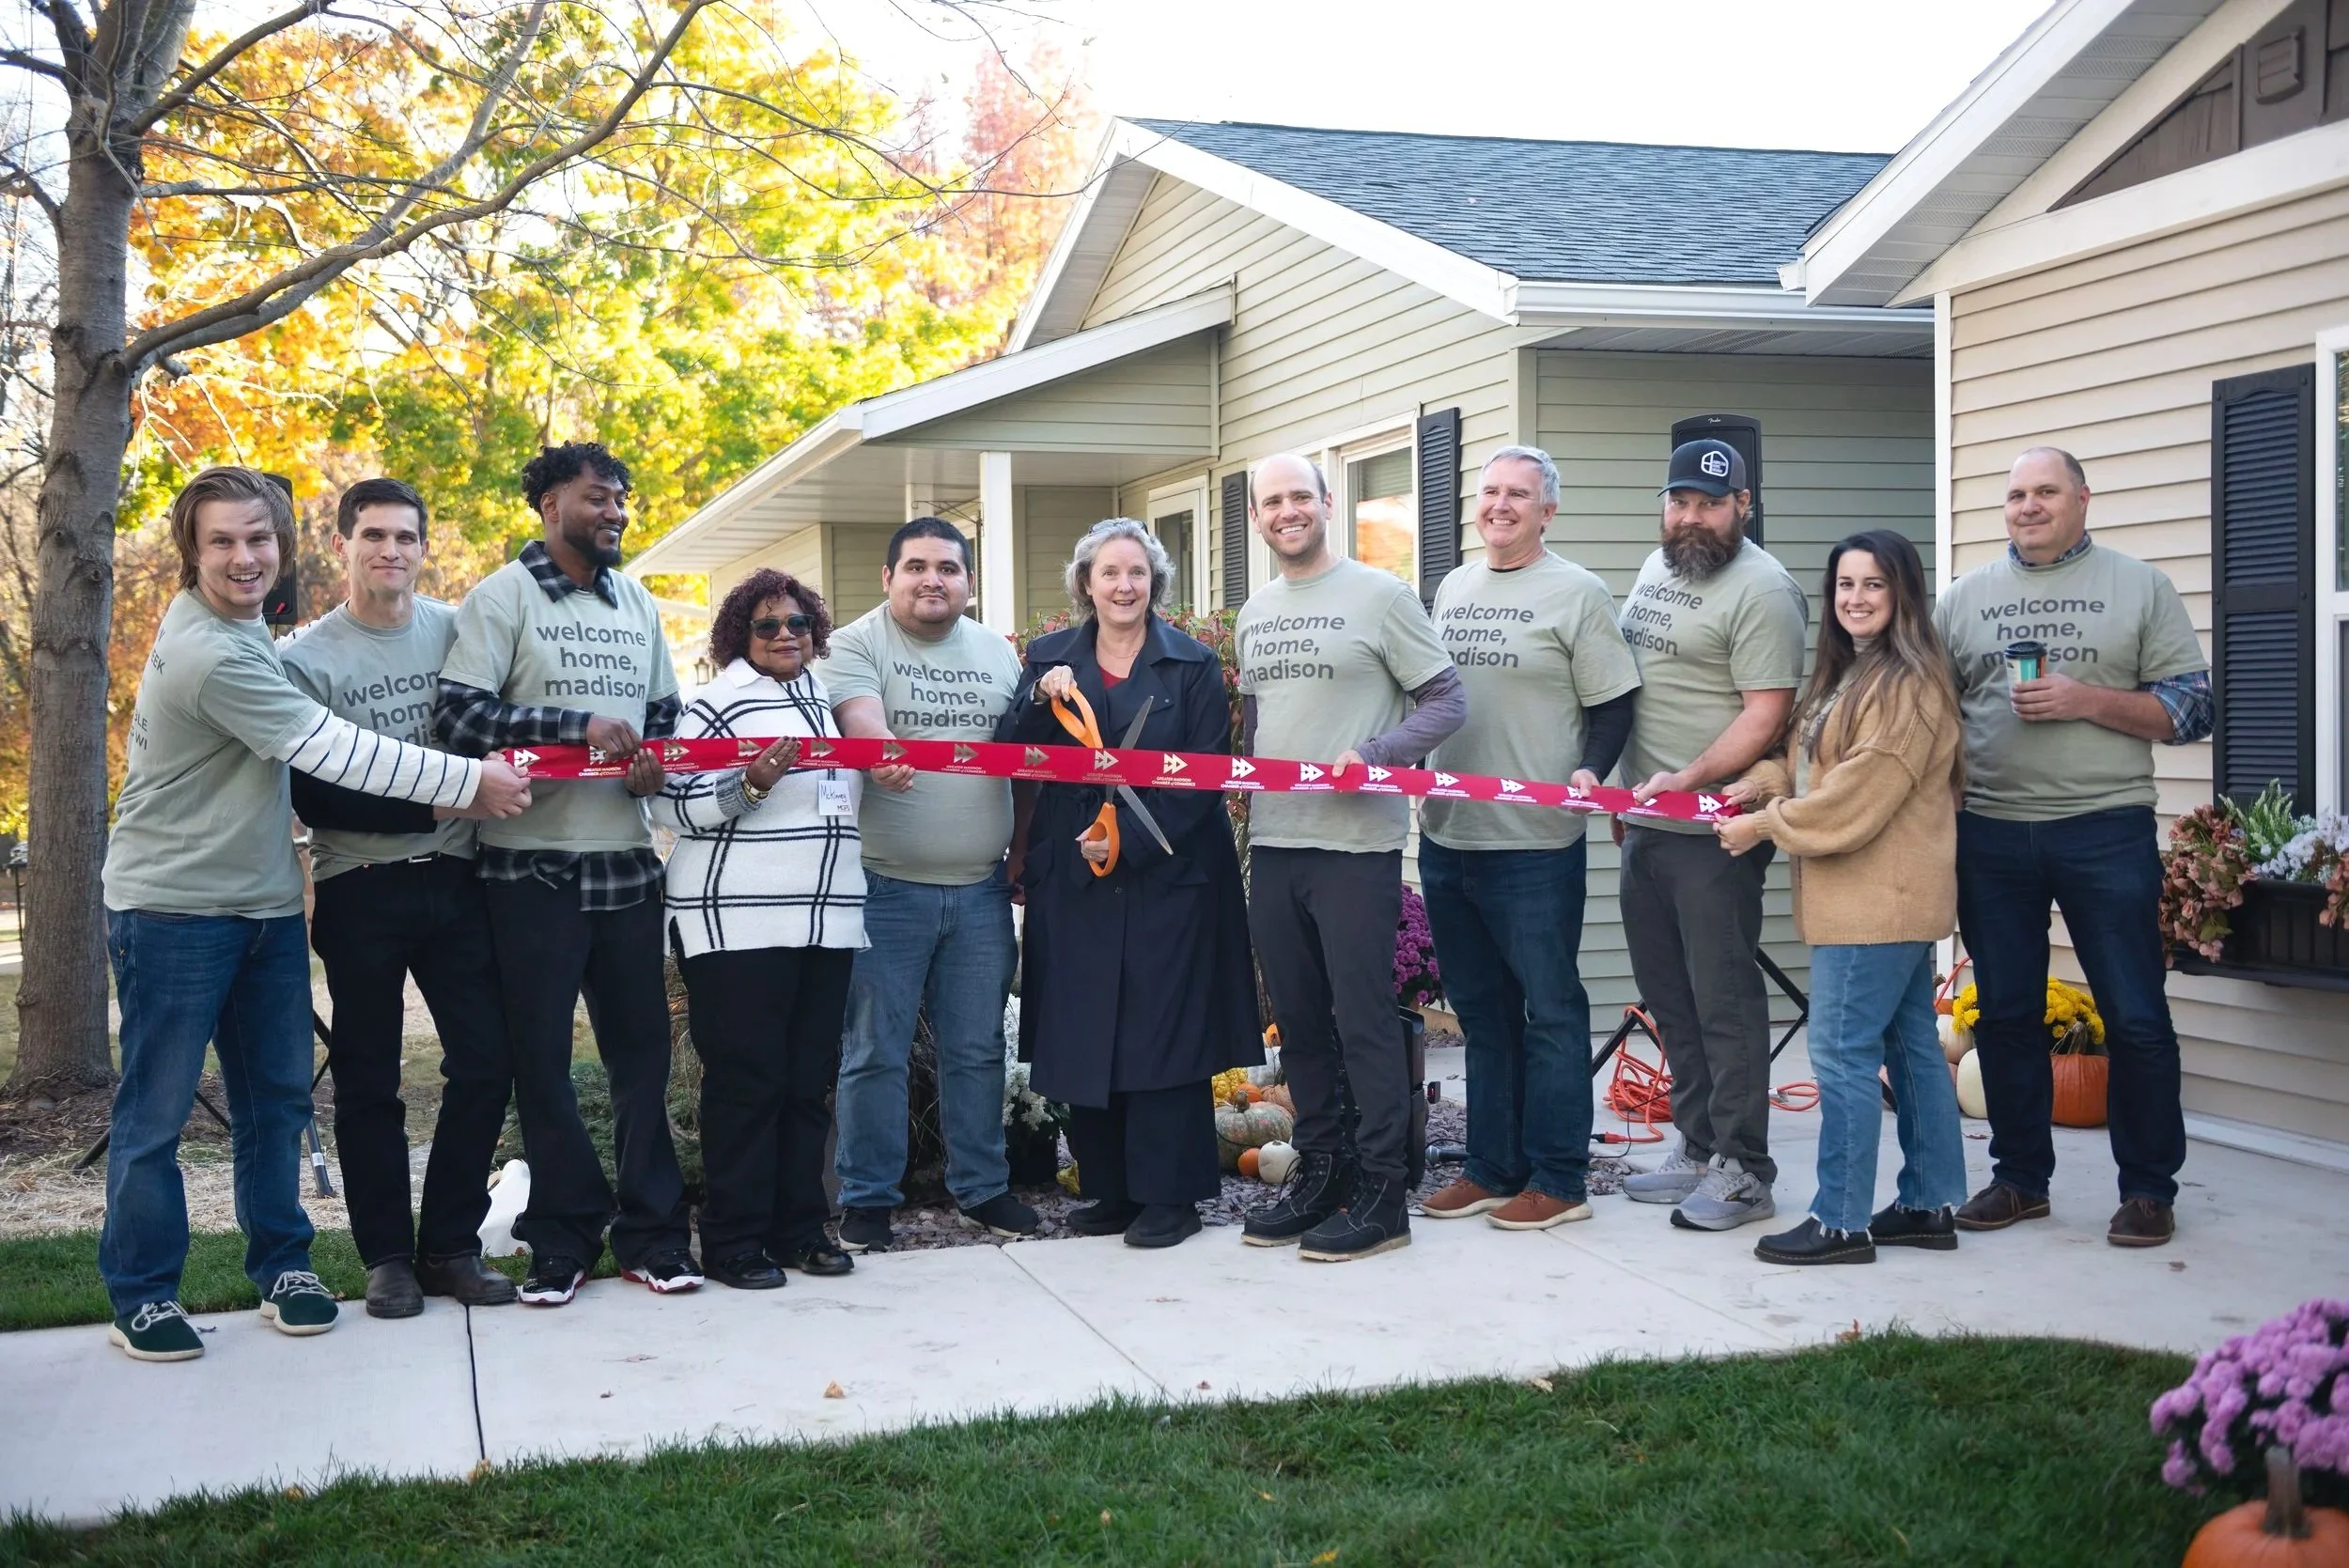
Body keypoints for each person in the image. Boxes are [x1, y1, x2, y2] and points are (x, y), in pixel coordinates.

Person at [99, 466, 529, 1362]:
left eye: (258, 538)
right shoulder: (214, 652)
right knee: (157, 1113)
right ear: (191, 549)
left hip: (262, 903)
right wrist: (469, 785)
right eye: (221, 540)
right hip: (173, 907)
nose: (244, 556)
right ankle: (142, 1293)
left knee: (278, 1104)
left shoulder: (247, 630)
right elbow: (327, 750)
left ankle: (284, 1267)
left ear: (283, 546)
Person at [435, 442, 697, 1306]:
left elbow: (662, 715)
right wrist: (575, 723)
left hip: (626, 864)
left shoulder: (638, 602)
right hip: (527, 872)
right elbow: (461, 714)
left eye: (622, 498)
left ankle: (655, 1237)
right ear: (549, 506)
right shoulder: (501, 597)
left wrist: (653, 759)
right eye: (597, 498)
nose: (616, 511)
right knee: (540, 1066)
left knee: (641, 1063)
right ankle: (562, 1236)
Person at [1933, 447, 2210, 1249]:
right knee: (2009, 1013)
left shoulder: (2140, 586)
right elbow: (1931, 712)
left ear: (2082, 499)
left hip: (2104, 826)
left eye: (2046, 491)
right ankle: (2021, 1178)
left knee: (2135, 1014)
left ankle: (2149, 1188)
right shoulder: (1967, 598)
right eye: (2015, 493)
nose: (2028, 506)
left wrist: (2086, 699)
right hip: (1990, 829)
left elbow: (2193, 711)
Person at [279, 478, 521, 1318]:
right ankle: (386, 1257)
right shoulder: (305, 659)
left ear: (425, 547)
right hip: (360, 886)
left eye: (406, 537)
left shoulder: (456, 631)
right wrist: (454, 797)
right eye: (374, 535)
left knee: (487, 1063)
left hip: (458, 882)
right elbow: (320, 797)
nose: (391, 550)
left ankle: (451, 1245)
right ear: (342, 543)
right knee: (370, 1079)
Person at [997, 520, 1259, 1249]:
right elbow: (1015, 753)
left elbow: (1204, 775)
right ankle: (1111, 1187)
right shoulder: (1048, 658)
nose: (1123, 586)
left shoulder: (1194, 664)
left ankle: (1170, 1198)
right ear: (1086, 582)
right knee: (1086, 1028)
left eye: (1136, 573)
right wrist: (1035, 698)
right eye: (1109, 573)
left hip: (1169, 873)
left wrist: (1123, 842)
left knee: (1162, 1035)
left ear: (1154, 584)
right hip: (1072, 878)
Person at [1717, 530, 1969, 1265]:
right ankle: (1928, 1203)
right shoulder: (1853, 673)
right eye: (1845, 585)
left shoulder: (1911, 686)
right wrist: (1764, 781)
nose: (1855, 599)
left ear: (1903, 596)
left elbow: (1856, 795)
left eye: (1874, 585)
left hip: (1875, 905)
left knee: (1839, 1054)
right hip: (1880, 902)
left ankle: (1840, 1220)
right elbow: (1809, 759)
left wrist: (1765, 824)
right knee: (1912, 1049)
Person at [1237, 453, 1465, 1262]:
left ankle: (1380, 1190)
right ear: (1257, 517)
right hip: (1276, 838)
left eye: (1301, 496)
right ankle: (1323, 1168)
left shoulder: (1381, 596)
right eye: (1272, 501)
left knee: (1363, 1021)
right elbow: (1260, 717)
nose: (1288, 510)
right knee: (1297, 1021)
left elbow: (1447, 697)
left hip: (1355, 844)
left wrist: (1376, 753)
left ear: (1327, 503)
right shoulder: (1256, 608)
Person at [1416, 447, 1640, 1233]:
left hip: (1535, 841)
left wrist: (1588, 769)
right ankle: (1490, 1168)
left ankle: (1559, 1176)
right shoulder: (1451, 585)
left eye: (1520, 494)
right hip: (1450, 832)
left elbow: (1614, 703)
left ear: (1548, 511)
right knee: (1480, 1010)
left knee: (1549, 1008)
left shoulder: (1578, 593)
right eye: (1490, 492)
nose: (1500, 505)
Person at [1615, 438, 1810, 1233]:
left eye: (1710, 503)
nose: (1692, 516)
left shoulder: (1764, 589)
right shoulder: (1659, 566)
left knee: (1723, 997)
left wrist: (1688, 778)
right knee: (1671, 996)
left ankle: (1745, 1166)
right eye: (1680, 501)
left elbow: (1766, 713)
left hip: (1715, 828)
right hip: (1647, 823)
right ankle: (1697, 1146)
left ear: (1743, 508)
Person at [823, 517, 1034, 1251]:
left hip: (980, 891)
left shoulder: (998, 653)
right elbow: (861, 717)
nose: (931, 579)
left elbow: (1025, 756)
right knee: (873, 1048)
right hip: (886, 887)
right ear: (888, 578)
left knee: (977, 1048)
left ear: (968, 582)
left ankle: (983, 1188)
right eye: (915, 566)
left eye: (947, 568)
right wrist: (881, 751)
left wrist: (1023, 850)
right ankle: (869, 1198)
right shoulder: (856, 642)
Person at [650, 568, 864, 1288]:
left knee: (808, 1083)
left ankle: (799, 1228)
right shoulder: (714, 704)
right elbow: (672, 809)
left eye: (797, 623)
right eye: (766, 625)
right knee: (748, 1083)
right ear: (739, 633)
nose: (784, 636)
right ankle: (734, 1239)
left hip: (825, 920)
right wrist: (749, 787)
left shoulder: (822, 701)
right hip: (735, 923)